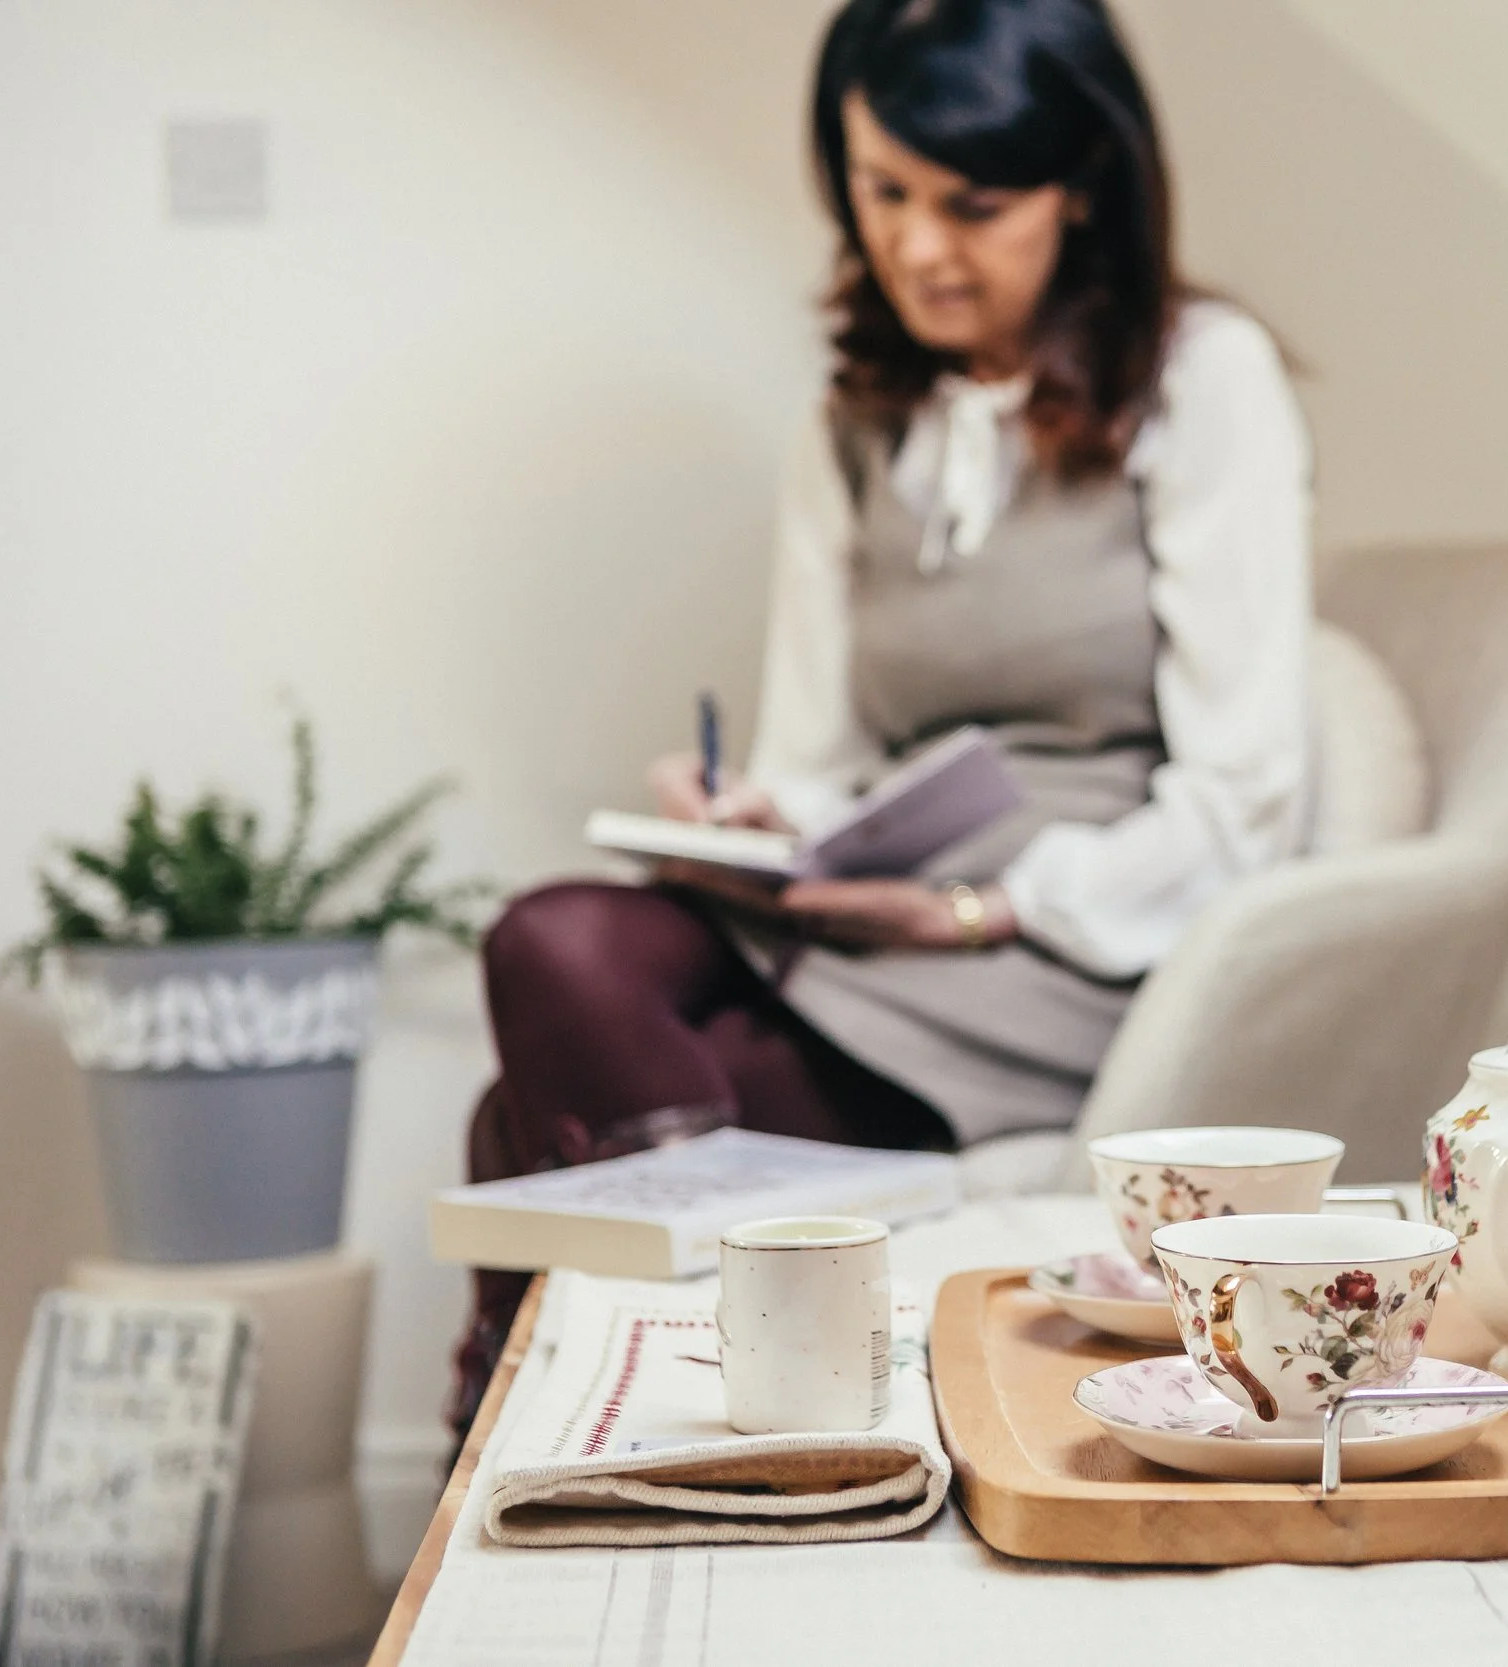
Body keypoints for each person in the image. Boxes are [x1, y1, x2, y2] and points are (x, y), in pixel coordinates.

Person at [447, 0, 1312, 1436]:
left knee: (509, 1125)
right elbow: (817, 757)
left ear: (1082, 184)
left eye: (974, 204)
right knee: (554, 936)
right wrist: (749, 822)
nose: (918, 248)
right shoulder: (857, 418)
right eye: (882, 191)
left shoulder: (1202, 378)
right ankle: (743, 1396)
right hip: (867, 909)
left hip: (1063, 937)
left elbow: (1245, 801)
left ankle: (581, 1418)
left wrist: (983, 910)